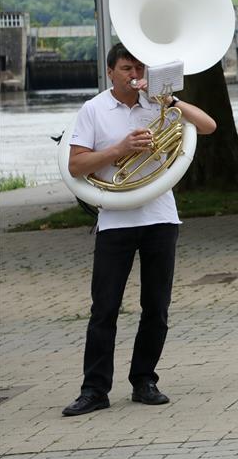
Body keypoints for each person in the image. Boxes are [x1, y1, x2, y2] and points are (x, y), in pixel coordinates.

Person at [62, 43, 217, 417]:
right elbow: (75, 164)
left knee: (156, 308)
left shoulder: (160, 103)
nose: (134, 76)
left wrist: (171, 101)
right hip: (115, 219)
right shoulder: (94, 110)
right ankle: (94, 389)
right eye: (126, 69)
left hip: (160, 217)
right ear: (111, 72)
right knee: (105, 309)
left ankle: (144, 380)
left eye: (139, 68)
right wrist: (120, 149)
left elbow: (209, 126)